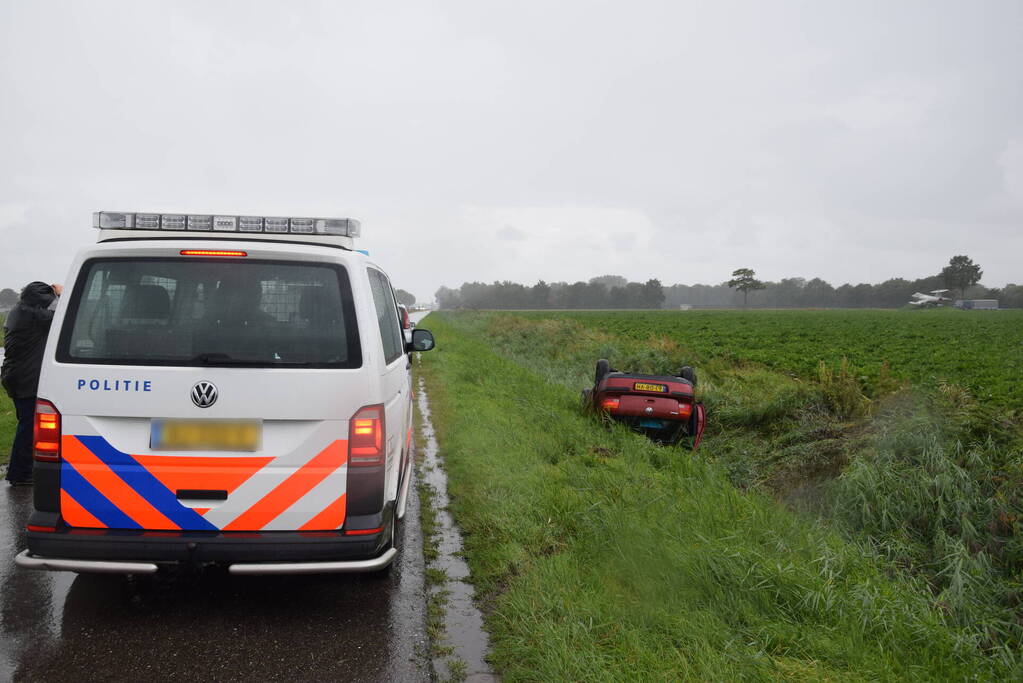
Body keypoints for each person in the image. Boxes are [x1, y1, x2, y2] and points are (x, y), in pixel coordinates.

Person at [2, 282, 61, 486]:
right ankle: (19, 474)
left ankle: (21, 469)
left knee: (27, 425)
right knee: (27, 428)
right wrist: (59, 295)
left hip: (16, 376)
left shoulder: (19, 310)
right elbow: (62, 315)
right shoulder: (34, 316)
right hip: (26, 379)